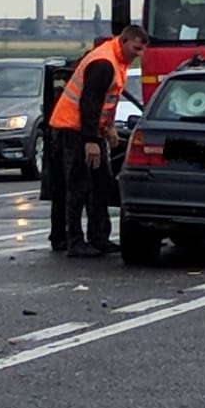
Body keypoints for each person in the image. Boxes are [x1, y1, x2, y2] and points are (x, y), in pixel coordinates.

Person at [47, 25, 148, 257]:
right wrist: (90, 140)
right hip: (72, 129)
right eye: (136, 48)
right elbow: (89, 103)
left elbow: (106, 101)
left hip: (88, 129)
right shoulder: (104, 62)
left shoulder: (116, 59)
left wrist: (109, 127)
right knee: (77, 186)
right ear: (123, 41)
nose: (139, 54)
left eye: (142, 50)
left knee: (101, 183)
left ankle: (99, 237)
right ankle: (74, 241)